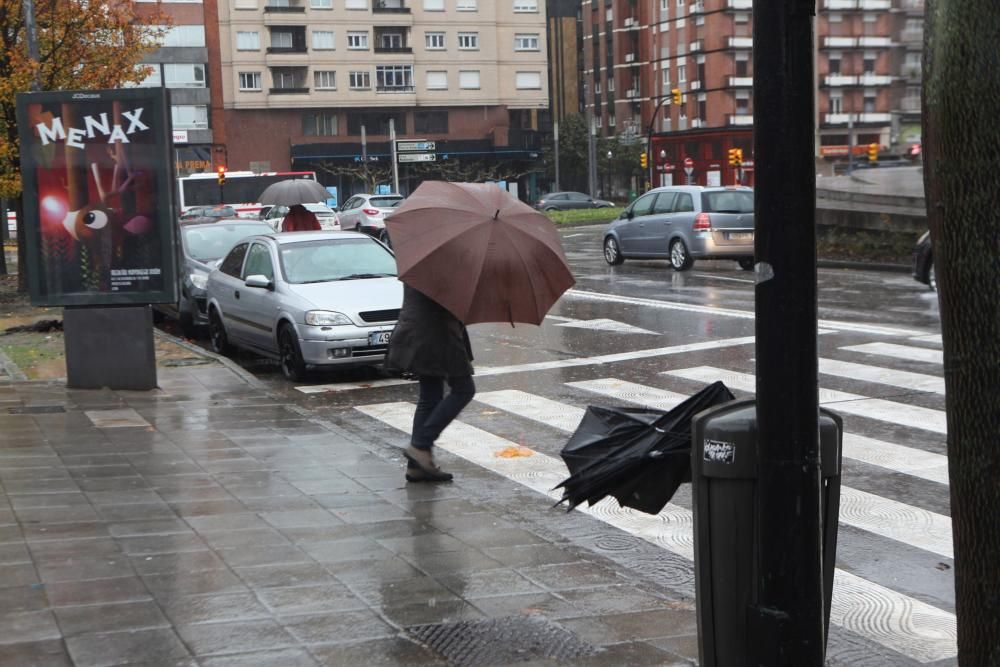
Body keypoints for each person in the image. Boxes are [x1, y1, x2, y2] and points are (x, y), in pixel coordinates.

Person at [384, 284, 475, 483]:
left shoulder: (426, 260)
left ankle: (417, 467)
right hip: (438, 334)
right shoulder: (448, 265)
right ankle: (421, 446)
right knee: (464, 389)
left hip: (418, 331)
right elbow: (451, 300)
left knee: (430, 396)